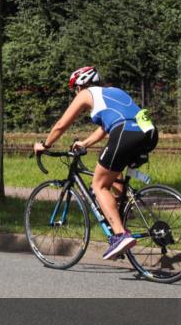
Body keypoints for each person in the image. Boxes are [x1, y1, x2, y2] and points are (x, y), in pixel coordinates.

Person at [33, 66, 158, 260]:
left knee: (98, 185)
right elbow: (105, 128)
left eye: (75, 88)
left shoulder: (86, 94)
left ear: (81, 84)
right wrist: (84, 143)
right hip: (148, 132)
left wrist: (45, 144)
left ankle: (120, 235)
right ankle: (125, 211)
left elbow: (61, 125)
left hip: (125, 132)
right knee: (112, 172)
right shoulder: (113, 91)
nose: (76, 93)